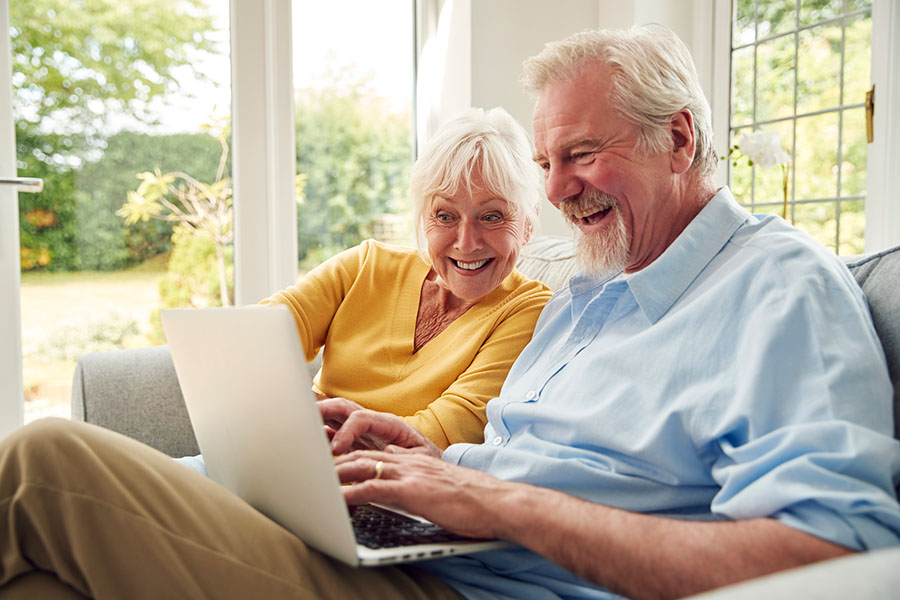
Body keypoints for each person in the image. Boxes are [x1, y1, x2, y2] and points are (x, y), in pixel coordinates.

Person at [1, 23, 899, 600]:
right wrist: (430, 457)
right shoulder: (592, 296)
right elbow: (518, 459)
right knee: (44, 574)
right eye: (545, 163)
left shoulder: (781, 290)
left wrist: (493, 500)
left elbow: (829, 559)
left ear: (680, 138)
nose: (556, 191)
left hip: (482, 586)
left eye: (580, 154)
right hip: (434, 552)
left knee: (44, 461)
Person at [180, 106, 550, 470]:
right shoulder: (366, 266)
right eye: (444, 216)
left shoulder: (532, 312)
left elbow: (435, 439)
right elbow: (243, 342)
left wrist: (302, 417)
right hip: (275, 464)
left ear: (529, 223)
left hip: (378, 496)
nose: (466, 242)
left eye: (492, 216)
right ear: (423, 218)